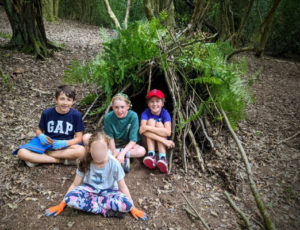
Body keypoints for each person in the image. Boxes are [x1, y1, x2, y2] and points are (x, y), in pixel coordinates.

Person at [45, 131, 147, 220]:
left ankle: (94, 205)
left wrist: (133, 207)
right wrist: (61, 205)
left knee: (127, 205)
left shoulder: (114, 163)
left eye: (102, 149)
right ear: (90, 149)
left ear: (107, 149)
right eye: (95, 149)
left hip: (109, 191)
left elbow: (122, 186)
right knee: (69, 199)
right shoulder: (85, 161)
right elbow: (75, 184)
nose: (99, 153)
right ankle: (104, 210)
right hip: (89, 190)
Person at [12, 85, 85, 167]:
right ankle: (60, 160)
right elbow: (38, 130)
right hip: (47, 144)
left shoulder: (76, 115)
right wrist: (41, 135)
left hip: (64, 145)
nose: (65, 103)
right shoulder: (47, 113)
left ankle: (41, 158)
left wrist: (65, 143)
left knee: (81, 150)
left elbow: (79, 138)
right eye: (62, 99)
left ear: (73, 101)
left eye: (69, 100)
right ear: (56, 99)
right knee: (21, 152)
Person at [83, 93, 146, 173]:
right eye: (116, 107)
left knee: (141, 151)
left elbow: (133, 140)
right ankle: (117, 158)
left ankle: (107, 155)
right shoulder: (109, 117)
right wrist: (114, 153)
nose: (119, 110)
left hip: (126, 145)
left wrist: (122, 153)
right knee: (86, 138)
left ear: (128, 106)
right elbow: (110, 137)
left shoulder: (133, 116)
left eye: (122, 107)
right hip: (111, 144)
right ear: (112, 107)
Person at [140, 89, 175, 173]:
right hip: (149, 143)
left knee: (159, 124)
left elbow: (167, 132)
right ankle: (151, 155)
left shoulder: (165, 113)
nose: (155, 104)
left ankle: (163, 158)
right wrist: (164, 140)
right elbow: (141, 130)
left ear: (162, 103)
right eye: (152, 101)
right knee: (151, 121)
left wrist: (148, 128)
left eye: (157, 101)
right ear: (148, 103)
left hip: (162, 145)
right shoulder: (145, 113)